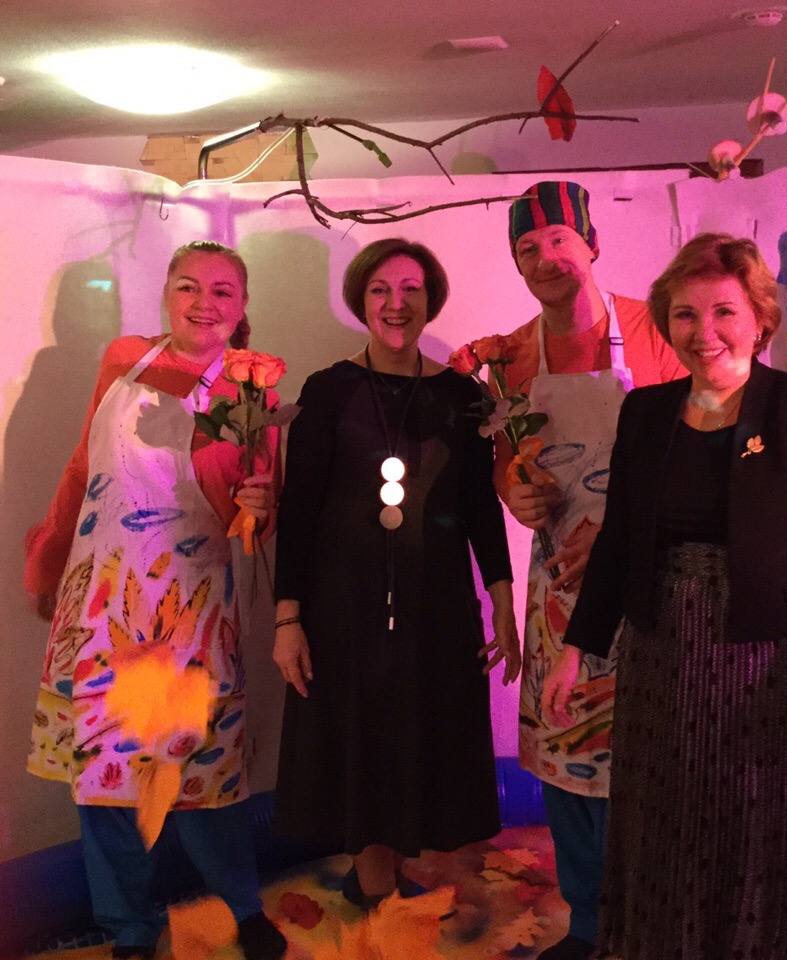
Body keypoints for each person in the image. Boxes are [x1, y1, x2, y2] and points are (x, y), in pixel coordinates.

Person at [544, 233, 787, 960]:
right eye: (684, 314)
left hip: (780, 664)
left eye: (723, 312)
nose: (703, 331)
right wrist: (574, 649)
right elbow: (618, 543)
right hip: (664, 664)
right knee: (672, 826)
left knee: (772, 830)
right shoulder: (645, 412)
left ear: (759, 319)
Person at [25, 241, 287, 960]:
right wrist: (50, 558)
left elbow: (255, 518)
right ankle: (130, 929)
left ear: (242, 306)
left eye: (223, 291)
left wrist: (258, 507)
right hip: (102, 602)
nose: (204, 303)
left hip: (192, 609)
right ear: (167, 294)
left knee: (202, 774)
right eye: (188, 287)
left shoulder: (250, 390)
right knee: (105, 780)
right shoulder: (123, 359)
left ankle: (242, 908)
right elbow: (82, 465)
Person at [272, 237, 520, 907]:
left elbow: (480, 507)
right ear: (361, 301)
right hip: (342, 608)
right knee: (363, 738)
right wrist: (287, 619)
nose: (396, 303)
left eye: (411, 288)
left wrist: (502, 598)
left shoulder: (461, 395)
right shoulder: (328, 391)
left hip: (436, 606)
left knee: (417, 735)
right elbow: (299, 510)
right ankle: (378, 891)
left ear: (430, 299)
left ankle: (380, 877)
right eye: (381, 289)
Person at [490, 181, 686, 960]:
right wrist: (516, 492)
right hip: (560, 589)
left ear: (592, 244)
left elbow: (695, 450)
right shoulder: (509, 356)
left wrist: (623, 529)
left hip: (648, 579)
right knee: (563, 754)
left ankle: (648, 917)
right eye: (528, 248)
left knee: (642, 754)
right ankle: (588, 923)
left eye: (560, 240)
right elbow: (505, 459)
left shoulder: (653, 328)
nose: (546, 258)